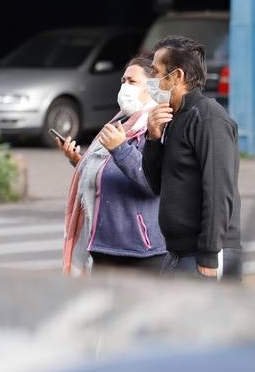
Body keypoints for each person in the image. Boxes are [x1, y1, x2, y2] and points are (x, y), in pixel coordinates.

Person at [142, 35, 242, 280]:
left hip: (204, 256)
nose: (151, 80)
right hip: (177, 254)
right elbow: (156, 184)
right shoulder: (174, 117)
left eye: (156, 72)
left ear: (177, 76)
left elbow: (219, 190)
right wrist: (153, 139)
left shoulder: (208, 117)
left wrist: (208, 254)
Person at [60, 55, 166, 275]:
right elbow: (111, 171)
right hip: (102, 246)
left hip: (139, 250)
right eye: (123, 81)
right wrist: (79, 162)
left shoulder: (157, 126)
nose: (125, 87)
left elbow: (150, 181)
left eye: (132, 81)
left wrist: (120, 148)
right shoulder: (119, 122)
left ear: (153, 87)